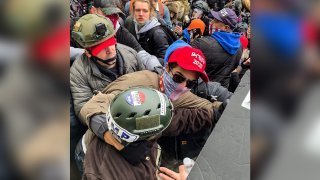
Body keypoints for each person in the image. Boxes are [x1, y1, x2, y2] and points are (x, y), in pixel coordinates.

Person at [78, 41, 222, 178]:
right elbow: (91, 107)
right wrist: (122, 144)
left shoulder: (181, 95)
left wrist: (224, 108)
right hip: (93, 155)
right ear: (167, 68)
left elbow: (208, 107)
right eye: (179, 78)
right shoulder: (139, 84)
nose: (183, 86)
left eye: (190, 83)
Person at [70, 14, 148, 119]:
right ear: (88, 52)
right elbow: (83, 109)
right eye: (101, 48)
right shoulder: (78, 72)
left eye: (111, 42)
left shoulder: (131, 54)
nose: (110, 50)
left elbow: (146, 84)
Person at [190, 8, 243, 88]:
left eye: (216, 21)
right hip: (222, 92)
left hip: (201, 90)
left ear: (226, 27)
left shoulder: (201, 43)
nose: (211, 22)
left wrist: (192, 42)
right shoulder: (239, 46)